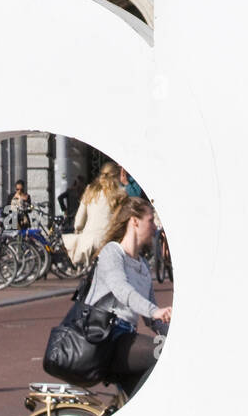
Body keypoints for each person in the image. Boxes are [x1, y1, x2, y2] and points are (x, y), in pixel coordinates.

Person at [83, 195, 172, 398]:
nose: (155, 228)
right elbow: (121, 289)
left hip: (125, 340)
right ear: (134, 221)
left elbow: (152, 319)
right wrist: (155, 311)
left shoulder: (142, 266)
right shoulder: (112, 253)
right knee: (161, 355)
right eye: (151, 221)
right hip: (105, 339)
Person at [66, 161, 126, 267]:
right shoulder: (120, 193)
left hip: (89, 241)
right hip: (108, 240)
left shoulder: (90, 190)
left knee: (91, 274)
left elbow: (79, 220)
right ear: (117, 176)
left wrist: (78, 228)